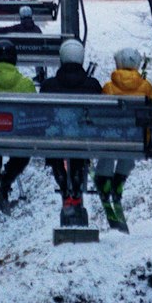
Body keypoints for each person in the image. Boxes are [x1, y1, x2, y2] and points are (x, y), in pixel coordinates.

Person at [94, 47, 152, 226]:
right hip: (136, 140)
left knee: (108, 152)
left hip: (111, 137)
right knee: (128, 152)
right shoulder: (146, 87)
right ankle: (119, 182)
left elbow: (101, 114)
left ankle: (104, 181)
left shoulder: (109, 87)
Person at [39, 39, 102, 217]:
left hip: (56, 138)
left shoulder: (49, 86)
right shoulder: (93, 85)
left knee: (56, 142)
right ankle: (75, 184)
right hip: (84, 137)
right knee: (80, 143)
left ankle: (62, 182)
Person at [0, 39, 36, 211]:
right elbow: (35, 114)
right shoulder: (26, 84)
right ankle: (6, 178)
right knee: (23, 152)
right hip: (18, 136)